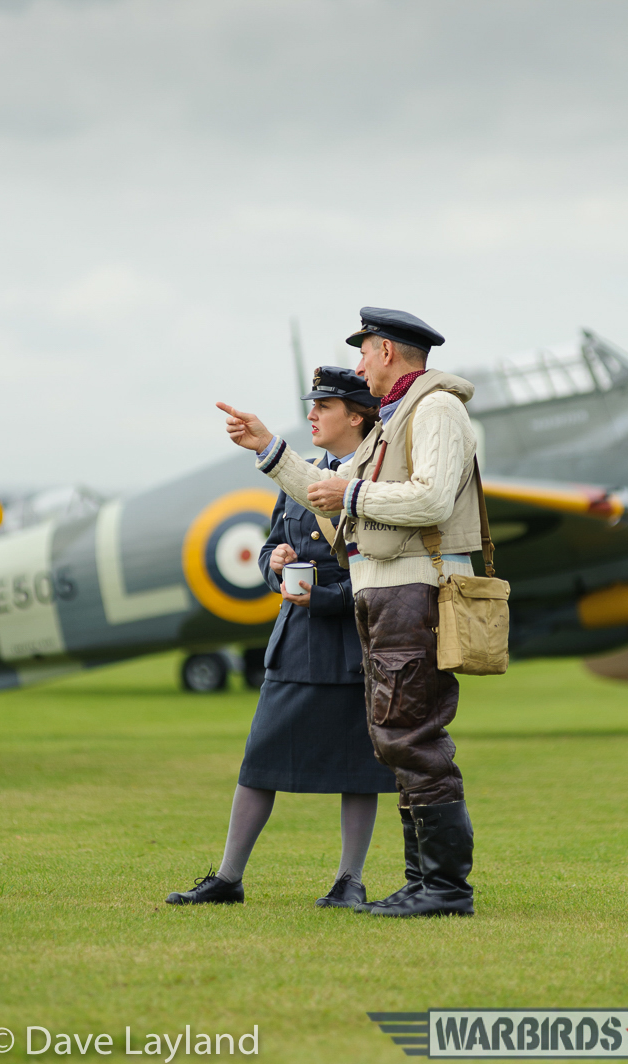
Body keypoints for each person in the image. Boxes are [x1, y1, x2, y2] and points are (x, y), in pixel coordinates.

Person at [218, 308, 482, 917]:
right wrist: (270, 449)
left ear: (387, 350)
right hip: (388, 595)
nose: (360, 363)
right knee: (399, 741)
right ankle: (426, 884)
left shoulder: (434, 408)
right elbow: (328, 494)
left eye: (364, 351)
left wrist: (354, 492)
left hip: (411, 593)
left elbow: (432, 499)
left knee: (413, 740)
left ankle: (442, 888)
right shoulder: (398, 416)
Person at [166, 366, 395, 910]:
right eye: (312, 404)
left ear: (357, 415)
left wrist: (322, 597)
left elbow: (379, 572)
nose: (312, 413)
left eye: (325, 405)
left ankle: (349, 881)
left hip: (352, 647)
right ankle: (228, 878)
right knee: (259, 761)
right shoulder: (304, 474)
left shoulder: (379, 483)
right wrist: (276, 563)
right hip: (294, 646)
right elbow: (275, 544)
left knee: (358, 769)